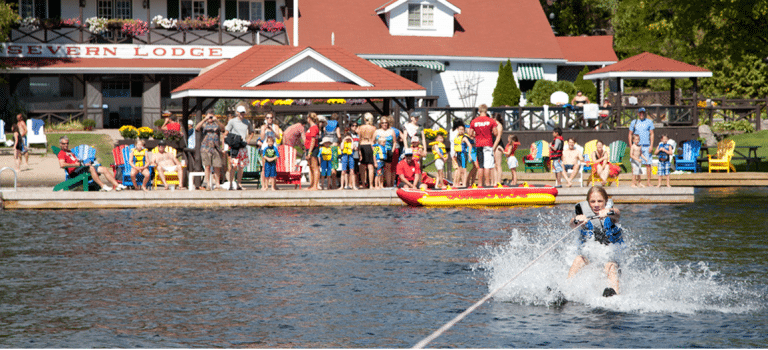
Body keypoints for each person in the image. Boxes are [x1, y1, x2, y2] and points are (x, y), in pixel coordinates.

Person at [568, 186, 623, 297]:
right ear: (588, 203)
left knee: (610, 265)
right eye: (592, 201)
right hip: (592, 259)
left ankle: (614, 295)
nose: (596, 204)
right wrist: (577, 220)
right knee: (579, 259)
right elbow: (571, 224)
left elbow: (617, 213)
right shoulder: (584, 215)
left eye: (600, 201)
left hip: (612, 261)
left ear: (606, 201)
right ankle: (566, 291)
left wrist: (608, 212)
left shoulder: (612, 215)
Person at [57, 136, 124, 192]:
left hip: (81, 168)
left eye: (67, 143)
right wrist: (78, 164)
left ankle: (117, 185)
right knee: (91, 168)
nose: (66, 145)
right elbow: (62, 165)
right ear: (60, 144)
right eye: (63, 144)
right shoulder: (61, 153)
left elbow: (78, 161)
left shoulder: (70, 152)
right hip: (74, 172)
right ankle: (103, 186)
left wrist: (84, 163)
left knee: (104, 169)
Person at [469, 104, 501, 187]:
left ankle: (480, 184)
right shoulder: (491, 121)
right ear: (486, 111)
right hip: (488, 144)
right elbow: (495, 133)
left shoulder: (474, 121)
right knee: (487, 165)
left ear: (479, 111)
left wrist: (476, 135)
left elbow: (470, 134)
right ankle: (487, 183)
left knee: (480, 166)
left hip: (479, 144)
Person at [224, 105, 255, 190]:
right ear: (237, 113)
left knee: (241, 167)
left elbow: (252, 131)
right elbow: (226, 133)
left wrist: (248, 139)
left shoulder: (247, 122)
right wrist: (226, 146)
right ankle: (231, 184)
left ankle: (239, 184)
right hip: (234, 147)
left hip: (243, 146)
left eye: (243, 113)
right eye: (240, 112)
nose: (242, 114)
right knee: (233, 166)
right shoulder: (232, 121)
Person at [196, 110, 224, 190]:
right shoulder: (204, 124)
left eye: (211, 116)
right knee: (207, 166)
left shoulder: (217, 124)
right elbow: (197, 128)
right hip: (206, 148)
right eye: (209, 116)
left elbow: (223, 129)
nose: (210, 118)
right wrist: (205, 119)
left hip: (216, 147)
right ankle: (208, 184)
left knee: (217, 166)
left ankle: (217, 184)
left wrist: (217, 120)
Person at [628, 107, 655, 187]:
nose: (641, 114)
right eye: (640, 113)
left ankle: (648, 182)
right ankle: (634, 182)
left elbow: (652, 134)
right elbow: (630, 134)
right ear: (638, 113)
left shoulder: (649, 122)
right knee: (635, 165)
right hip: (636, 146)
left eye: (643, 113)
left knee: (648, 164)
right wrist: (631, 145)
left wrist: (651, 145)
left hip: (646, 145)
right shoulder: (634, 122)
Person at [374, 116, 397, 187]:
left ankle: (389, 184)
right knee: (379, 168)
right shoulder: (377, 131)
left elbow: (395, 142)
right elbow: (372, 141)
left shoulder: (391, 131)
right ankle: (379, 184)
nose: (384, 124)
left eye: (386, 123)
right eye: (383, 123)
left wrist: (392, 150)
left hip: (388, 150)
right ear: (380, 123)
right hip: (379, 152)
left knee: (388, 168)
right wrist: (374, 150)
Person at [358, 113, 377, 189]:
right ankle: (371, 185)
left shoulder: (361, 127)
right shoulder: (373, 128)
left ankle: (363, 184)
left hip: (362, 144)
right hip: (370, 145)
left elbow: (359, 139)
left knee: (362, 166)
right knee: (370, 166)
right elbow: (374, 139)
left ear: (364, 119)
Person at [305, 112, 321, 191]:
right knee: (311, 167)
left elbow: (313, 141)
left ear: (309, 118)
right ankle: (311, 185)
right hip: (308, 149)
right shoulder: (310, 128)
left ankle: (315, 186)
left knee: (315, 167)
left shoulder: (314, 127)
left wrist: (310, 152)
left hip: (313, 149)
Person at [493, 113, 506, 186]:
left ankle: (499, 181)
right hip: (493, 144)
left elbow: (498, 138)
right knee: (494, 165)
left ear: (495, 119)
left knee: (498, 164)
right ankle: (495, 181)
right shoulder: (493, 126)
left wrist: (493, 148)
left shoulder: (499, 126)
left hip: (498, 146)